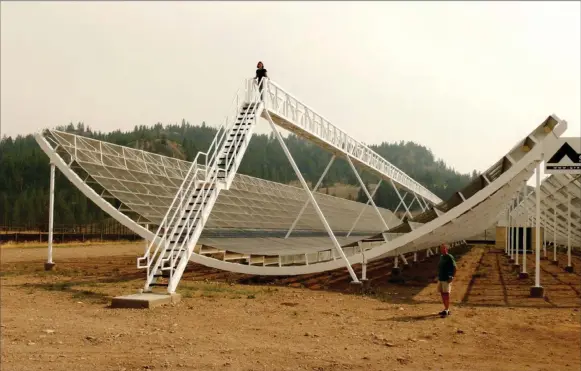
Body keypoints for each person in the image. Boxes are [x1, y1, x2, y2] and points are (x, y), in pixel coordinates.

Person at [437, 243, 457, 317]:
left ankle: (447, 310)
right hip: (441, 278)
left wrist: (452, 276)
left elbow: (455, 267)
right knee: (442, 293)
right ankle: (445, 309)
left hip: (446, 279)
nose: (442, 250)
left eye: (444, 248)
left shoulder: (449, 256)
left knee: (446, 294)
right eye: (441, 248)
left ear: (446, 249)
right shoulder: (442, 256)